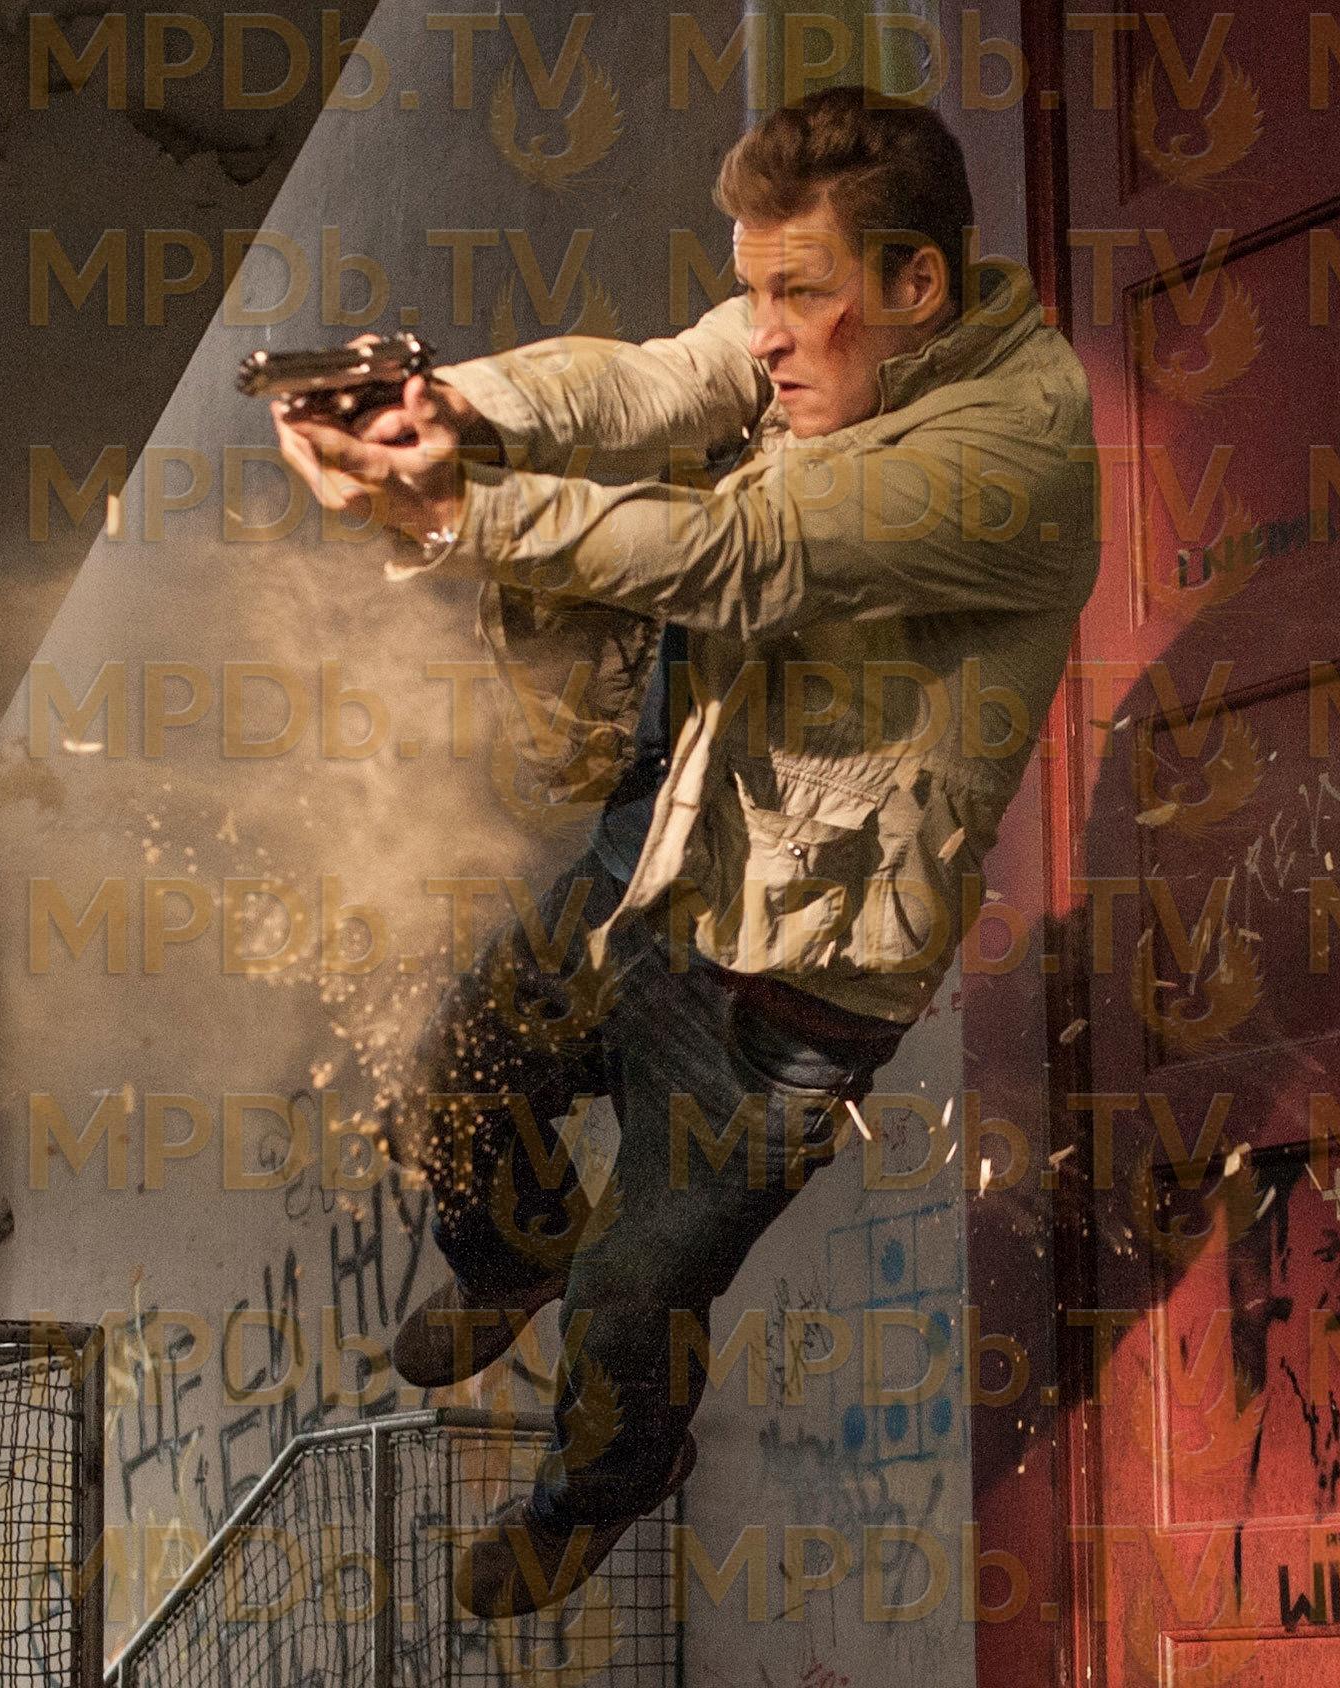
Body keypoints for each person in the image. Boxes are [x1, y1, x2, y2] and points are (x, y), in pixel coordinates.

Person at [272, 86, 1097, 1618]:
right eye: (753, 287)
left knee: (633, 1293)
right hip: (662, 864)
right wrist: (451, 409)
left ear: (917, 282)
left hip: (797, 989)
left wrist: (453, 509)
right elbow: (649, 382)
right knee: (458, 1067)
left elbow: (745, 556)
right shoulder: (819, 335)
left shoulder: (1011, 450)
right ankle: (508, 1257)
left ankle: (602, 1484)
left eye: (797, 295)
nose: (762, 333)